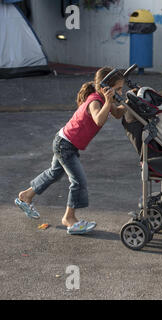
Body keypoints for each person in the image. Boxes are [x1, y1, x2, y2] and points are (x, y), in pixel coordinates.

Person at [15, 67, 126, 235]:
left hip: (64, 141)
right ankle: (69, 219)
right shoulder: (96, 101)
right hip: (65, 145)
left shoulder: (103, 100)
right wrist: (110, 101)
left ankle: (26, 195)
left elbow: (117, 113)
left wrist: (128, 103)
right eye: (118, 88)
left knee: (54, 173)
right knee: (78, 181)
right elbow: (98, 120)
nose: (120, 92)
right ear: (106, 88)